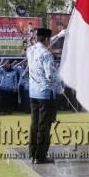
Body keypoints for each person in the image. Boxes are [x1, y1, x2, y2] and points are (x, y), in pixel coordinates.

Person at [27, 28, 58, 164]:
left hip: (33, 93)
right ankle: (40, 156)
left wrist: (59, 35)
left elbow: (41, 43)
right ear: (46, 39)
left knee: (34, 124)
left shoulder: (30, 50)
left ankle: (32, 153)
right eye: (49, 39)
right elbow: (50, 75)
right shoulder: (47, 54)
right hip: (45, 94)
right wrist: (60, 85)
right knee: (44, 126)